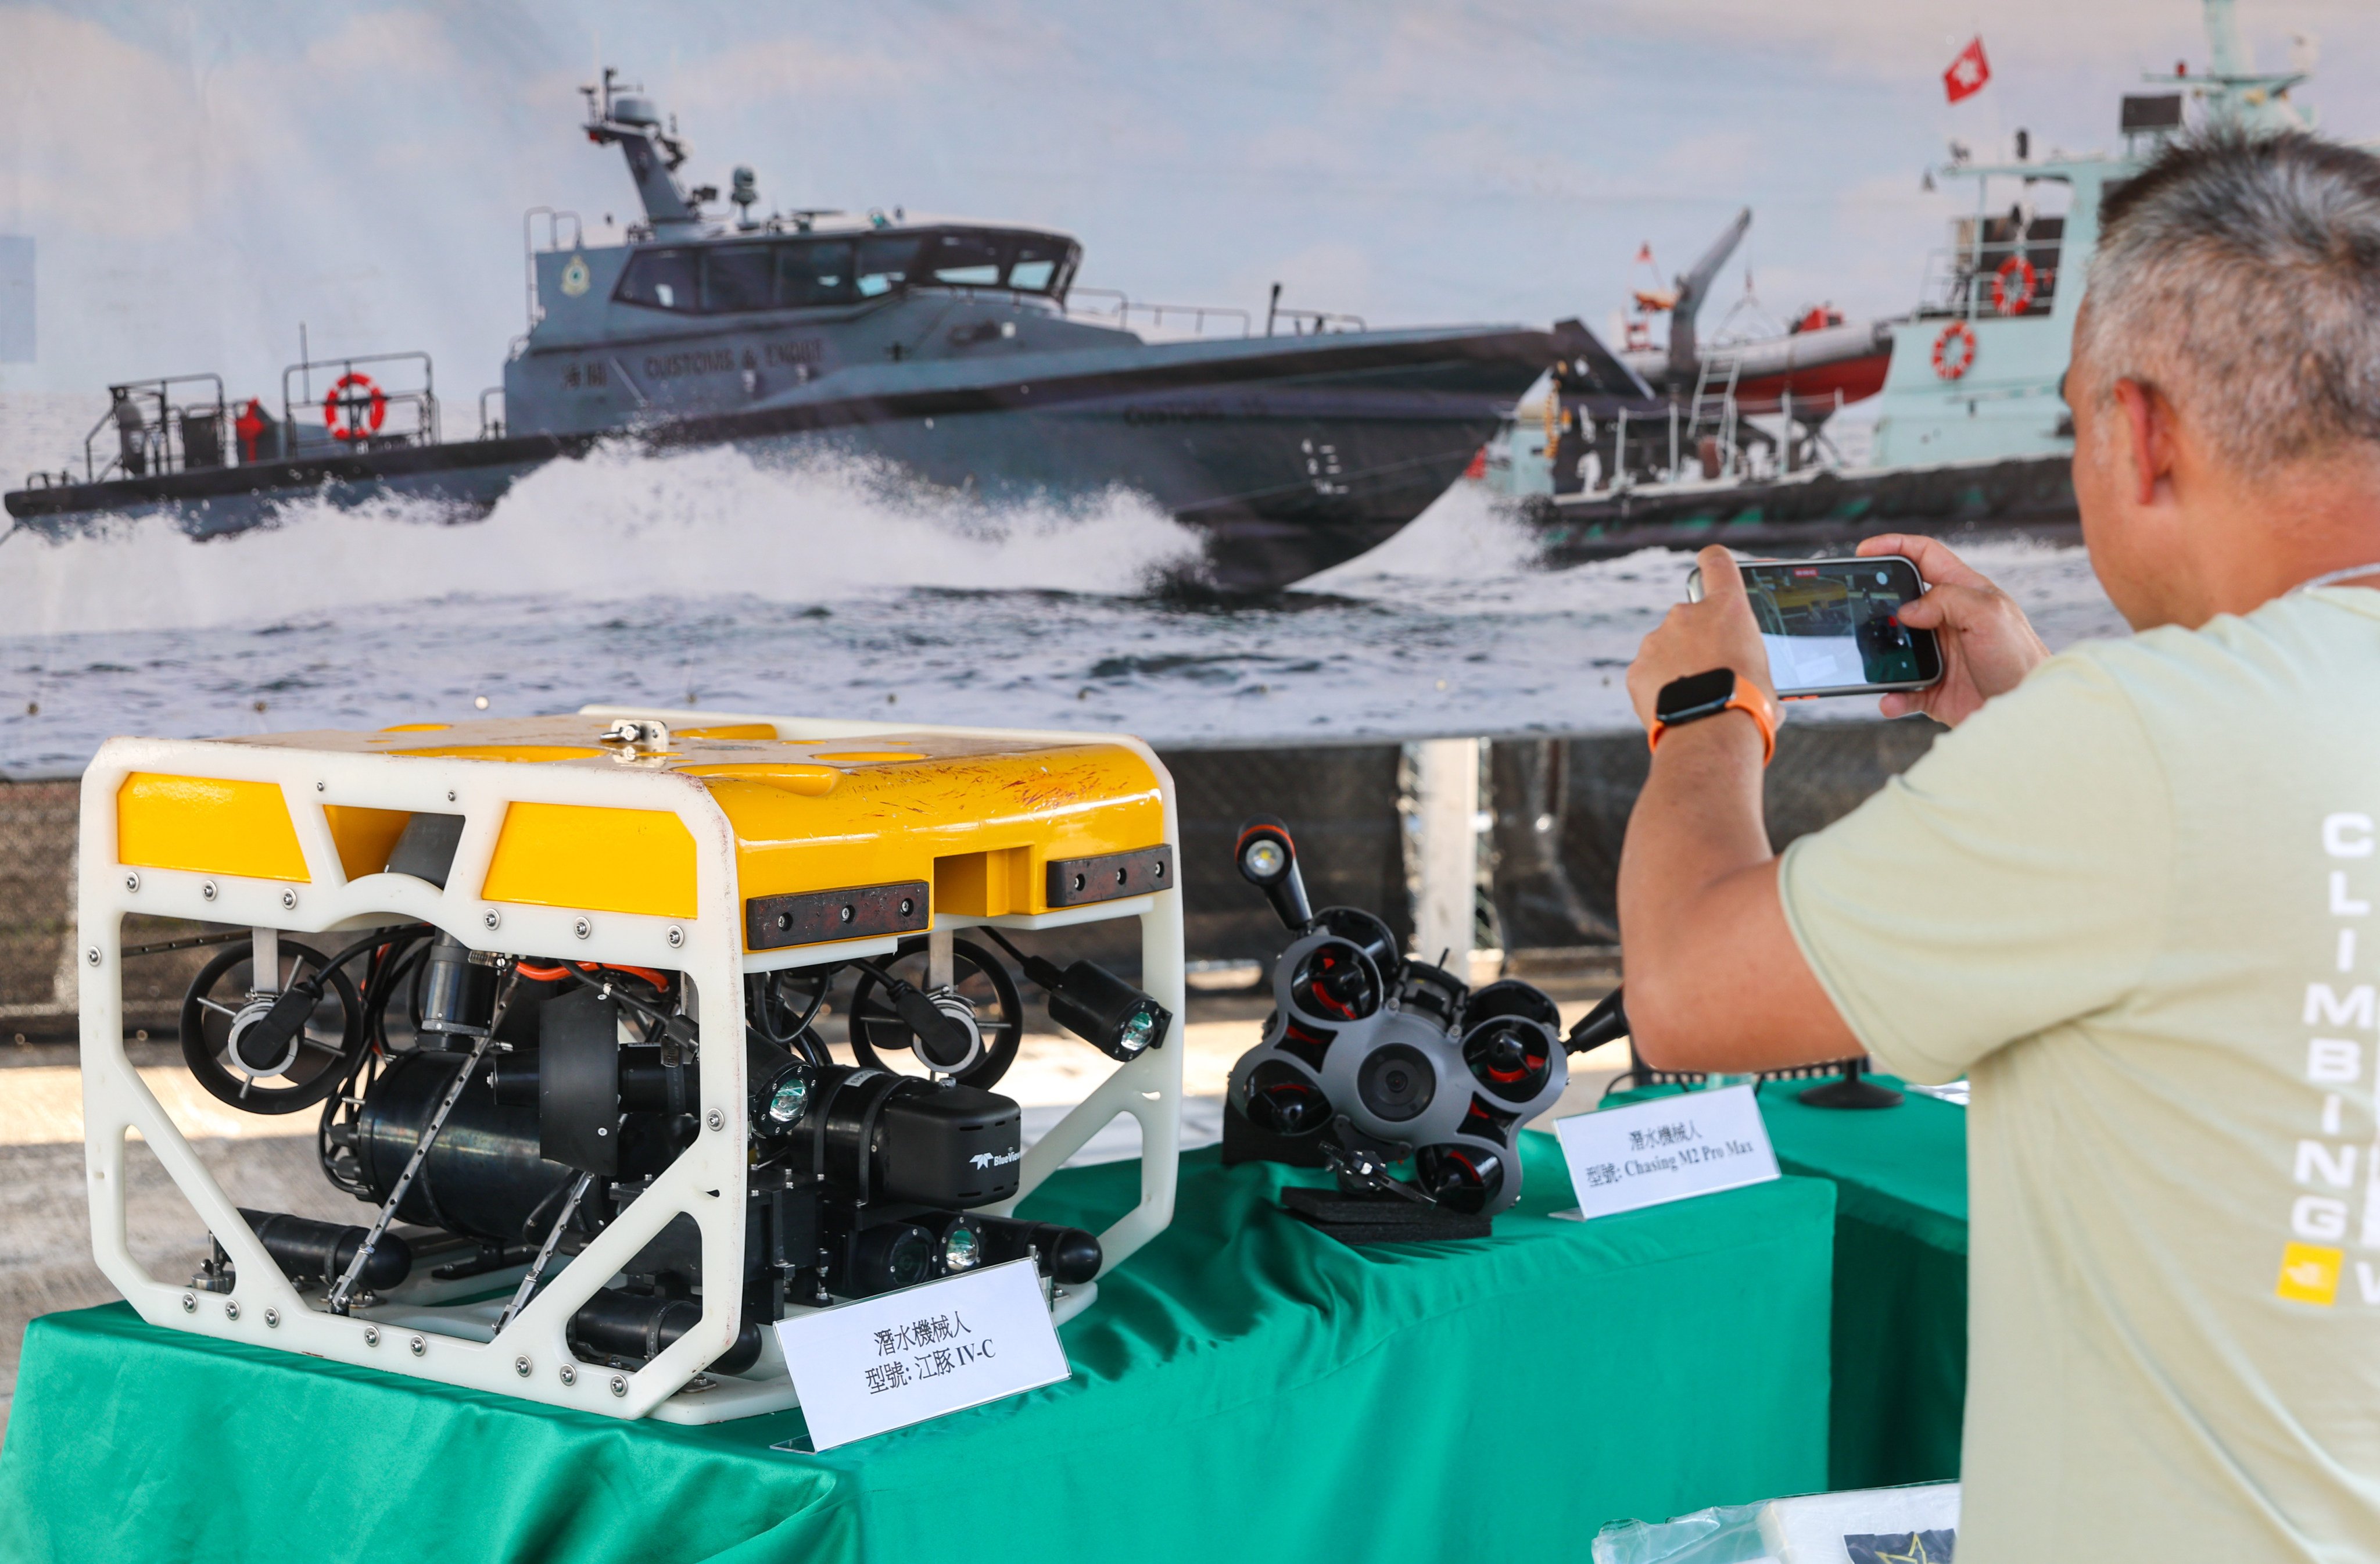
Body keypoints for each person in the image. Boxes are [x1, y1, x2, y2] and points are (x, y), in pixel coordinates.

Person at [1617, 130, 2380, 1559]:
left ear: (2138, 433)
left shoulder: (2142, 744)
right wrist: (2032, 717)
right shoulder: (2158, 745)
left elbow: (1685, 987)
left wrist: (1705, 711)